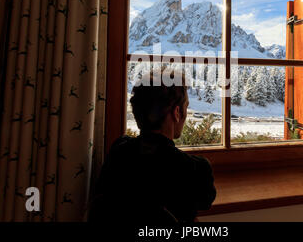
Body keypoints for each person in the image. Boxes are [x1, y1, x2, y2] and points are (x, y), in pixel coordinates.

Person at [88, 68, 216, 223]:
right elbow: (205, 201)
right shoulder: (196, 170)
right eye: (186, 107)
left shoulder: (119, 151)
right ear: (176, 113)